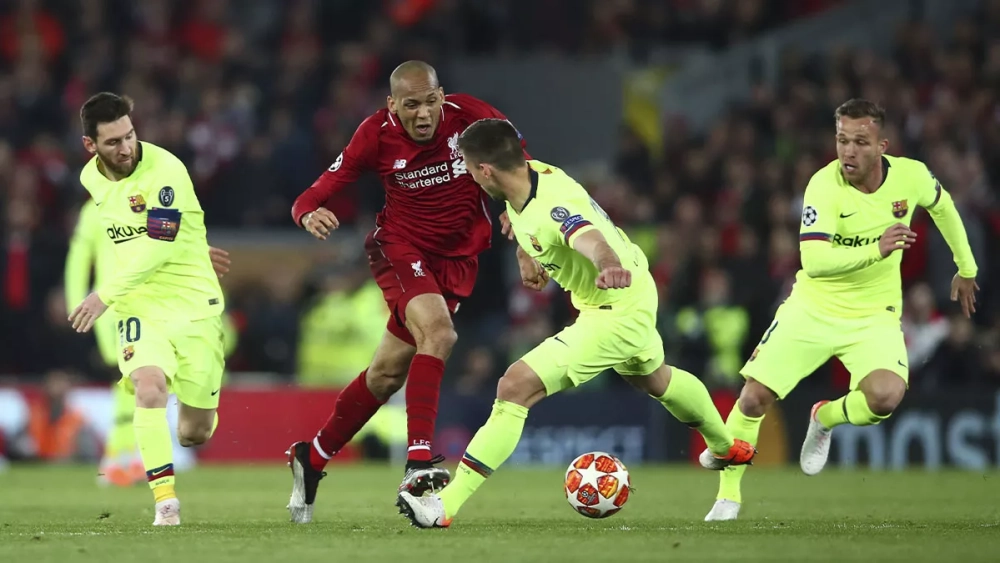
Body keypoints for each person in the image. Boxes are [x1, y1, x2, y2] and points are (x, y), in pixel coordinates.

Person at [396, 118, 756, 528]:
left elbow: (588, 238)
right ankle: (726, 446)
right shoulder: (532, 174)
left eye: (471, 170)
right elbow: (522, 213)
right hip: (630, 292)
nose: (470, 178)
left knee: (514, 386)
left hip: (615, 305)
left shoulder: (552, 208)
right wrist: (526, 252)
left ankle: (445, 507)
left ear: (486, 171)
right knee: (654, 378)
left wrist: (608, 265)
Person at [703, 99, 979, 521]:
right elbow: (814, 261)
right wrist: (877, 248)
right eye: (842, 140)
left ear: (882, 146)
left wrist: (966, 267)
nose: (848, 151)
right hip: (813, 307)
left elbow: (944, 207)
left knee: (885, 397)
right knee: (754, 397)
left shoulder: (912, 176)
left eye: (860, 142)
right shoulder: (822, 186)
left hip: (873, 315)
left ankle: (825, 415)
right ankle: (728, 497)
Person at [285, 61, 527, 524]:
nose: (422, 114)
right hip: (401, 248)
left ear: (443, 97)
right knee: (440, 334)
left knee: (386, 374)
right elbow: (310, 196)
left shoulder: (473, 117)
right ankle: (418, 467)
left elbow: (522, 168)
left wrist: (521, 217)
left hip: (457, 259)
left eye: (429, 102)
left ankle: (311, 458)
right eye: (410, 105)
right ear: (392, 105)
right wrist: (307, 215)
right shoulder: (374, 134)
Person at [69, 92, 229, 526]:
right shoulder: (91, 179)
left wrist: (102, 293)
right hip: (139, 306)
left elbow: (160, 243)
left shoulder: (166, 169)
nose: (126, 148)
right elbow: (131, 234)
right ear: (91, 146)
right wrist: (116, 295)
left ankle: (195, 413)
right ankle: (165, 502)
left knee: (194, 432)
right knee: (149, 387)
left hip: (194, 304)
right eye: (114, 142)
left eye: (130, 135)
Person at [65, 198, 231, 487]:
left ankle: (126, 454)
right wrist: (76, 304)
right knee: (135, 378)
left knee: (144, 379)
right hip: (111, 305)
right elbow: (79, 257)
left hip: (159, 303)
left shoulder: (154, 205)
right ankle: (127, 455)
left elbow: (169, 245)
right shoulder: (94, 209)